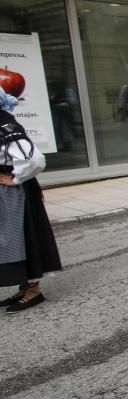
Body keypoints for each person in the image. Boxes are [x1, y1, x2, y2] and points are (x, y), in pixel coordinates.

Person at [0, 86, 62, 313]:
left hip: (15, 194)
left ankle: (33, 290)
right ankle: (24, 285)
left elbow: (34, 160)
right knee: (10, 240)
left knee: (23, 237)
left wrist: (15, 179)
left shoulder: (4, 125)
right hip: (8, 192)